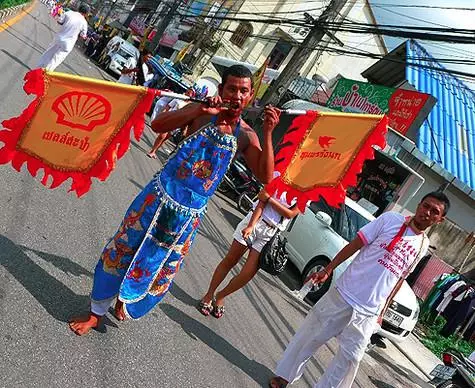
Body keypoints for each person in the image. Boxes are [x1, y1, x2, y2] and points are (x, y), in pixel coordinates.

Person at [69, 65, 281, 336]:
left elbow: (265, 176)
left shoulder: (246, 135)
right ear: (221, 90)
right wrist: (200, 110)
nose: (237, 95)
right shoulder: (202, 113)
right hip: (156, 197)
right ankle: (95, 313)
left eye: (243, 90)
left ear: (251, 96)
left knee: (155, 262)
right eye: (231, 88)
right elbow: (158, 124)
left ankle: (125, 299)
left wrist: (268, 133)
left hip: (186, 218)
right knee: (123, 248)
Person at [269, 191, 450, 388]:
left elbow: (398, 279)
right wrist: (328, 269)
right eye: (426, 206)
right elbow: (356, 244)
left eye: (435, 211)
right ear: (419, 204)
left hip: (369, 311)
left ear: (440, 219)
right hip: (345, 293)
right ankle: (284, 375)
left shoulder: (423, 245)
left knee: (350, 360)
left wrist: (382, 311)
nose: (427, 212)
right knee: (311, 335)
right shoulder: (390, 219)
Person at [199, 177, 300, 318]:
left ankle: (221, 295)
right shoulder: (280, 175)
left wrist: (269, 199)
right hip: (255, 220)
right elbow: (261, 200)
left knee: (247, 274)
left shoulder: (306, 193)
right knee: (231, 260)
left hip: (270, 234)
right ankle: (209, 295)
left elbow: (289, 213)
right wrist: (251, 225)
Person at [146, 87, 202, 159]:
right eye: (187, 91)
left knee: (165, 138)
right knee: (162, 136)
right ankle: (152, 151)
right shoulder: (178, 98)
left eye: (190, 92)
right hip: (170, 118)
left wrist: (185, 128)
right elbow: (168, 106)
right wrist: (163, 114)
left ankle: (154, 151)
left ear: (193, 95)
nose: (187, 92)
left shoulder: (191, 105)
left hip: (177, 124)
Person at [37, 4, 89, 71]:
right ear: (86, 13)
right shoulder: (84, 22)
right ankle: (46, 73)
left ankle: (38, 69)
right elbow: (83, 36)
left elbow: (60, 21)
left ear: (78, 8)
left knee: (48, 53)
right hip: (68, 43)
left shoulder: (69, 13)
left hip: (59, 38)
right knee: (57, 59)